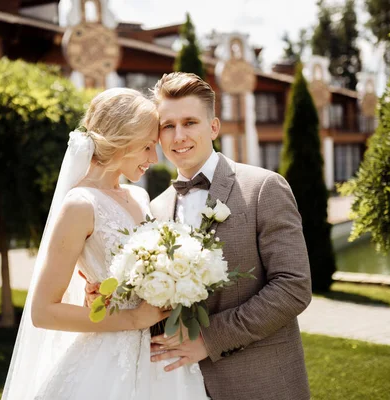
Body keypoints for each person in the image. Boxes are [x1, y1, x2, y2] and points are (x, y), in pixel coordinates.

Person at [86, 73, 313, 400]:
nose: (179, 136)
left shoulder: (263, 188)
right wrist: (112, 295)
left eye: (190, 122)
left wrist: (209, 340)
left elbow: (293, 286)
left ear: (214, 127)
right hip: (177, 385)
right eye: (168, 126)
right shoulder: (153, 208)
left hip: (260, 383)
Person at [2, 87, 208, 400]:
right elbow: (42, 311)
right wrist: (133, 318)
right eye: (147, 147)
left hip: (161, 354)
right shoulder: (80, 205)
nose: (154, 158)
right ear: (121, 140)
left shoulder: (138, 196)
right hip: (107, 362)